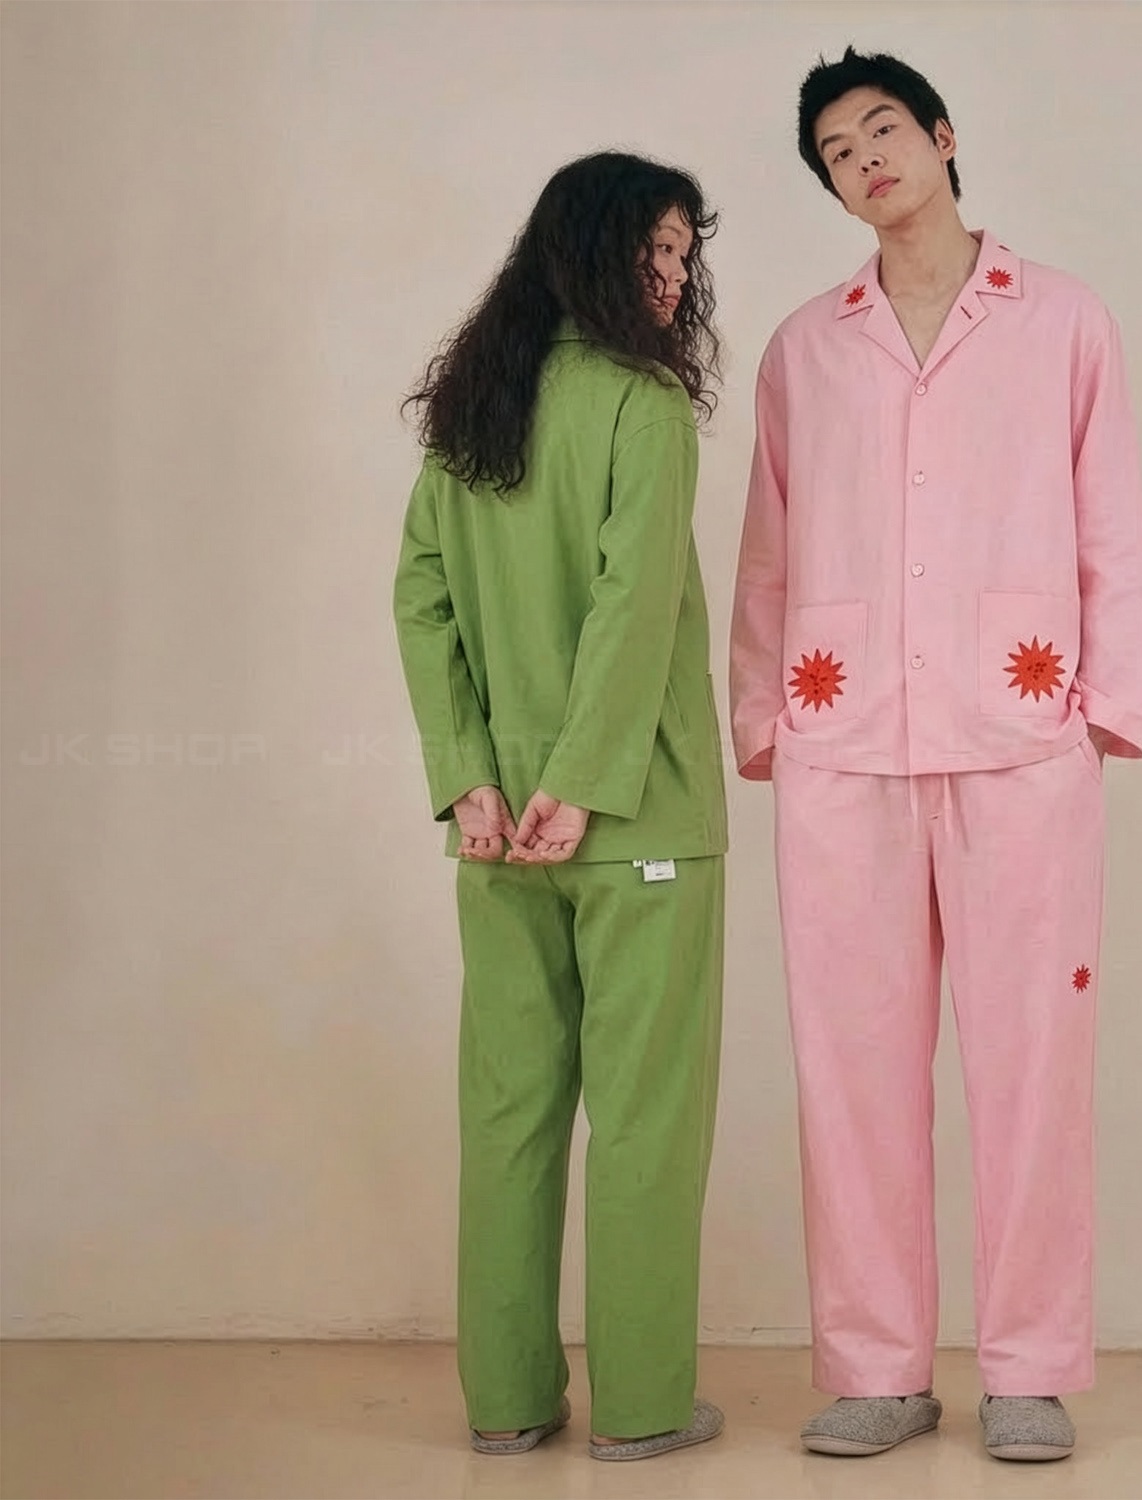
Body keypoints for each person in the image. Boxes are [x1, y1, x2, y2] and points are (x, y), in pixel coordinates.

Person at [730, 47, 1142, 1463]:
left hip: (1022, 738)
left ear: (944, 134)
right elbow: (771, 544)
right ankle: (877, 1367)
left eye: (883, 130)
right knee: (851, 1064)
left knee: (1034, 1063)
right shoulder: (806, 348)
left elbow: (1111, 518)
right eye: (838, 154)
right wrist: (761, 715)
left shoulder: (1065, 321)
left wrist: (1104, 704)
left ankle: (1028, 1365)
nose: (867, 160)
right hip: (841, 741)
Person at [394, 151, 728, 1462]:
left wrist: (469, 777)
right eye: (656, 250)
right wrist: (582, 787)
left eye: (685, 253)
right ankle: (642, 1410)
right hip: (639, 824)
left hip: (495, 835)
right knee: (646, 1119)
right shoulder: (644, 406)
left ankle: (509, 1403)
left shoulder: (475, 410)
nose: (675, 274)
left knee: (510, 1113)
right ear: (592, 252)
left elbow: (422, 601)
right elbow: (635, 608)